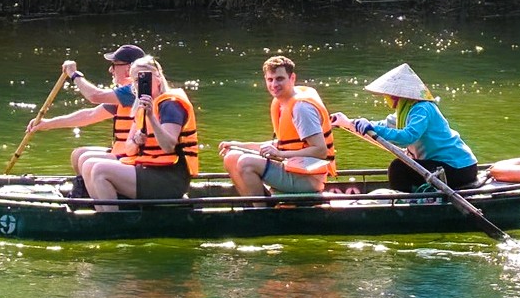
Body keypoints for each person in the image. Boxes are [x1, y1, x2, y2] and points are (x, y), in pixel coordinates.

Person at [332, 63, 480, 192]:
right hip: (441, 166)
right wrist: (348, 122)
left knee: (398, 168)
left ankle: (410, 202)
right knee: (401, 167)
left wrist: (374, 129)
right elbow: (382, 125)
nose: (386, 98)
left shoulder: (423, 109)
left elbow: (407, 137)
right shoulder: (405, 111)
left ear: (396, 95)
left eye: (387, 95)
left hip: (458, 169)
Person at [82, 56, 199, 204]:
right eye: (136, 80)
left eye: (144, 77)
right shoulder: (141, 106)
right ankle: (106, 216)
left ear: (157, 77)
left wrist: (151, 117)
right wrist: (137, 140)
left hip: (170, 177)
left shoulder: (170, 104)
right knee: (88, 165)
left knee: (100, 170)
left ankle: (111, 220)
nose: (140, 83)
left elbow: (168, 146)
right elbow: (130, 150)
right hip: (149, 167)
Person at [24, 44, 146, 182]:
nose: (110, 69)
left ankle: (102, 193)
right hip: (122, 151)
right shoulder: (124, 94)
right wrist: (47, 124)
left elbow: (94, 96)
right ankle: (90, 190)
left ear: (129, 68)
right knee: (78, 154)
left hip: (136, 156)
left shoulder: (135, 91)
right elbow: (90, 115)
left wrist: (74, 75)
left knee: (85, 159)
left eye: (114, 65)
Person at [217, 55, 335, 196]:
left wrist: (280, 154)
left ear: (292, 78)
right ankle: (255, 206)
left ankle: (262, 213)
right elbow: (282, 144)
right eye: (270, 80)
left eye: (279, 79)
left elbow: (320, 151)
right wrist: (239, 145)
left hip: (309, 178)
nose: (274, 85)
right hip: (292, 169)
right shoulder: (282, 103)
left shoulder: (301, 108)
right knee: (231, 157)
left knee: (246, 163)